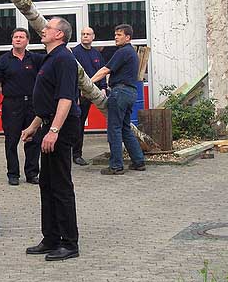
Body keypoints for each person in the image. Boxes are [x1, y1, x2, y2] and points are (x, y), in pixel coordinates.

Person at [21, 17, 80, 261]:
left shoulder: (65, 59)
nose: (43, 30)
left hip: (62, 129)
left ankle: (69, 243)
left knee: (61, 186)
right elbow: (46, 101)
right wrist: (34, 127)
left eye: (48, 28)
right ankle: (51, 238)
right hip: (48, 125)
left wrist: (54, 131)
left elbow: (65, 99)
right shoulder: (50, 58)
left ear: (60, 35)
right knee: (46, 184)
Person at [90, 24, 146, 175]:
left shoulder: (123, 52)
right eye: (115, 34)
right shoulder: (131, 52)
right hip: (130, 92)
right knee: (125, 128)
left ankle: (116, 166)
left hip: (119, 92)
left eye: (119, 35)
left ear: (128, 37)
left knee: (114, 129)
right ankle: (138, 161)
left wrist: (88, 83)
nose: (116, 37)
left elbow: (105, 70)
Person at [0, 28, 41, 185]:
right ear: (12, 40)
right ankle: (13, 174)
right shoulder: (4, 60)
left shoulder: (34, 59)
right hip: (11, 104)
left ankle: (32, 173)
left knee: (33, 140)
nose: (18, 39)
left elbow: (52, 61)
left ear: (27, 41)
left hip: (32, 104)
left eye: (21, 37)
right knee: (11, 140)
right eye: (15, 37)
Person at [71, 27, 107, 166]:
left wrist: (103, 87)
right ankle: (76, 154)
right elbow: (72, 73)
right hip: (81, 94)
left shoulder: (96, 54)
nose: (85, 36)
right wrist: (76, 92)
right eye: (83, 34)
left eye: (88, 34)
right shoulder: (75, 52)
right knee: (78, 124)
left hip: (96, 93)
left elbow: (102, 71)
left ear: (93, 37)